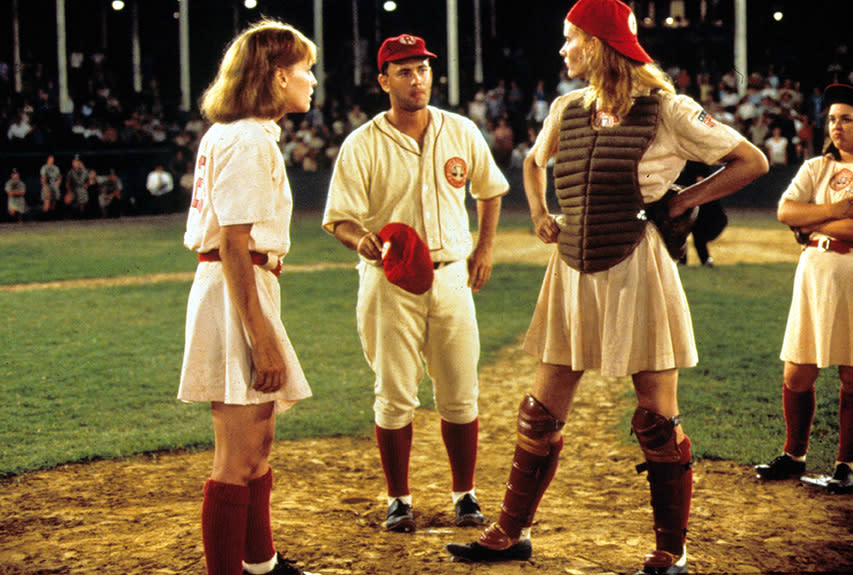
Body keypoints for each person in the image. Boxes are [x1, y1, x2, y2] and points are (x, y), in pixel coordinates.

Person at [445, 1, 768, 573]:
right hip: (571, 267)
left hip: (637, 266)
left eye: (571, 39)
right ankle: (509, 532)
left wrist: (684, 200)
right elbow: (532, 163)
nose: (563, 50)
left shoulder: (669, 109)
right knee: (540, 413)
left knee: (655, 418)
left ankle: (672, 548)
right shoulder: (567, 108)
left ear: (597, 44)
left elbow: (751, 160)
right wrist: (542, 212)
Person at [322, 33, 508, 533]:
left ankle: (465, 494)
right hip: (390, 282)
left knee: (460, 393)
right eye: (403, 70)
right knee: (394, 393)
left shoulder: (461, 130)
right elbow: (338, 219)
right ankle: (399, 499)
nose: (417, 78)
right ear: (383, 80)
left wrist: (485, 247)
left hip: (451, 277)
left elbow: (490, 190)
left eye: (422, 68)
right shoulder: (362, 143)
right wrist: (362, 241)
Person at [178, 19, 317, 575]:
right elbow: (235, 246)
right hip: (236, 289)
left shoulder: (240, 133)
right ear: (277, 76)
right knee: (237, 456)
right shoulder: (246, 139)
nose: (311, 79)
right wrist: (261, 337)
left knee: (257, 442)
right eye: (304, 69)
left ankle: (261, 564)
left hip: (246, 286)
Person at [754, 83, 853, 493]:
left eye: (846, 118)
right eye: (831, 119)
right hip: (814, 272)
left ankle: (846, 464)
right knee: (797, 371)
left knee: (852, 373)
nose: (836, 127)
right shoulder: (815, 168)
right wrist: (832, 212)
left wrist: (809, 222)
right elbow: (784, 211)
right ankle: (794, 455)